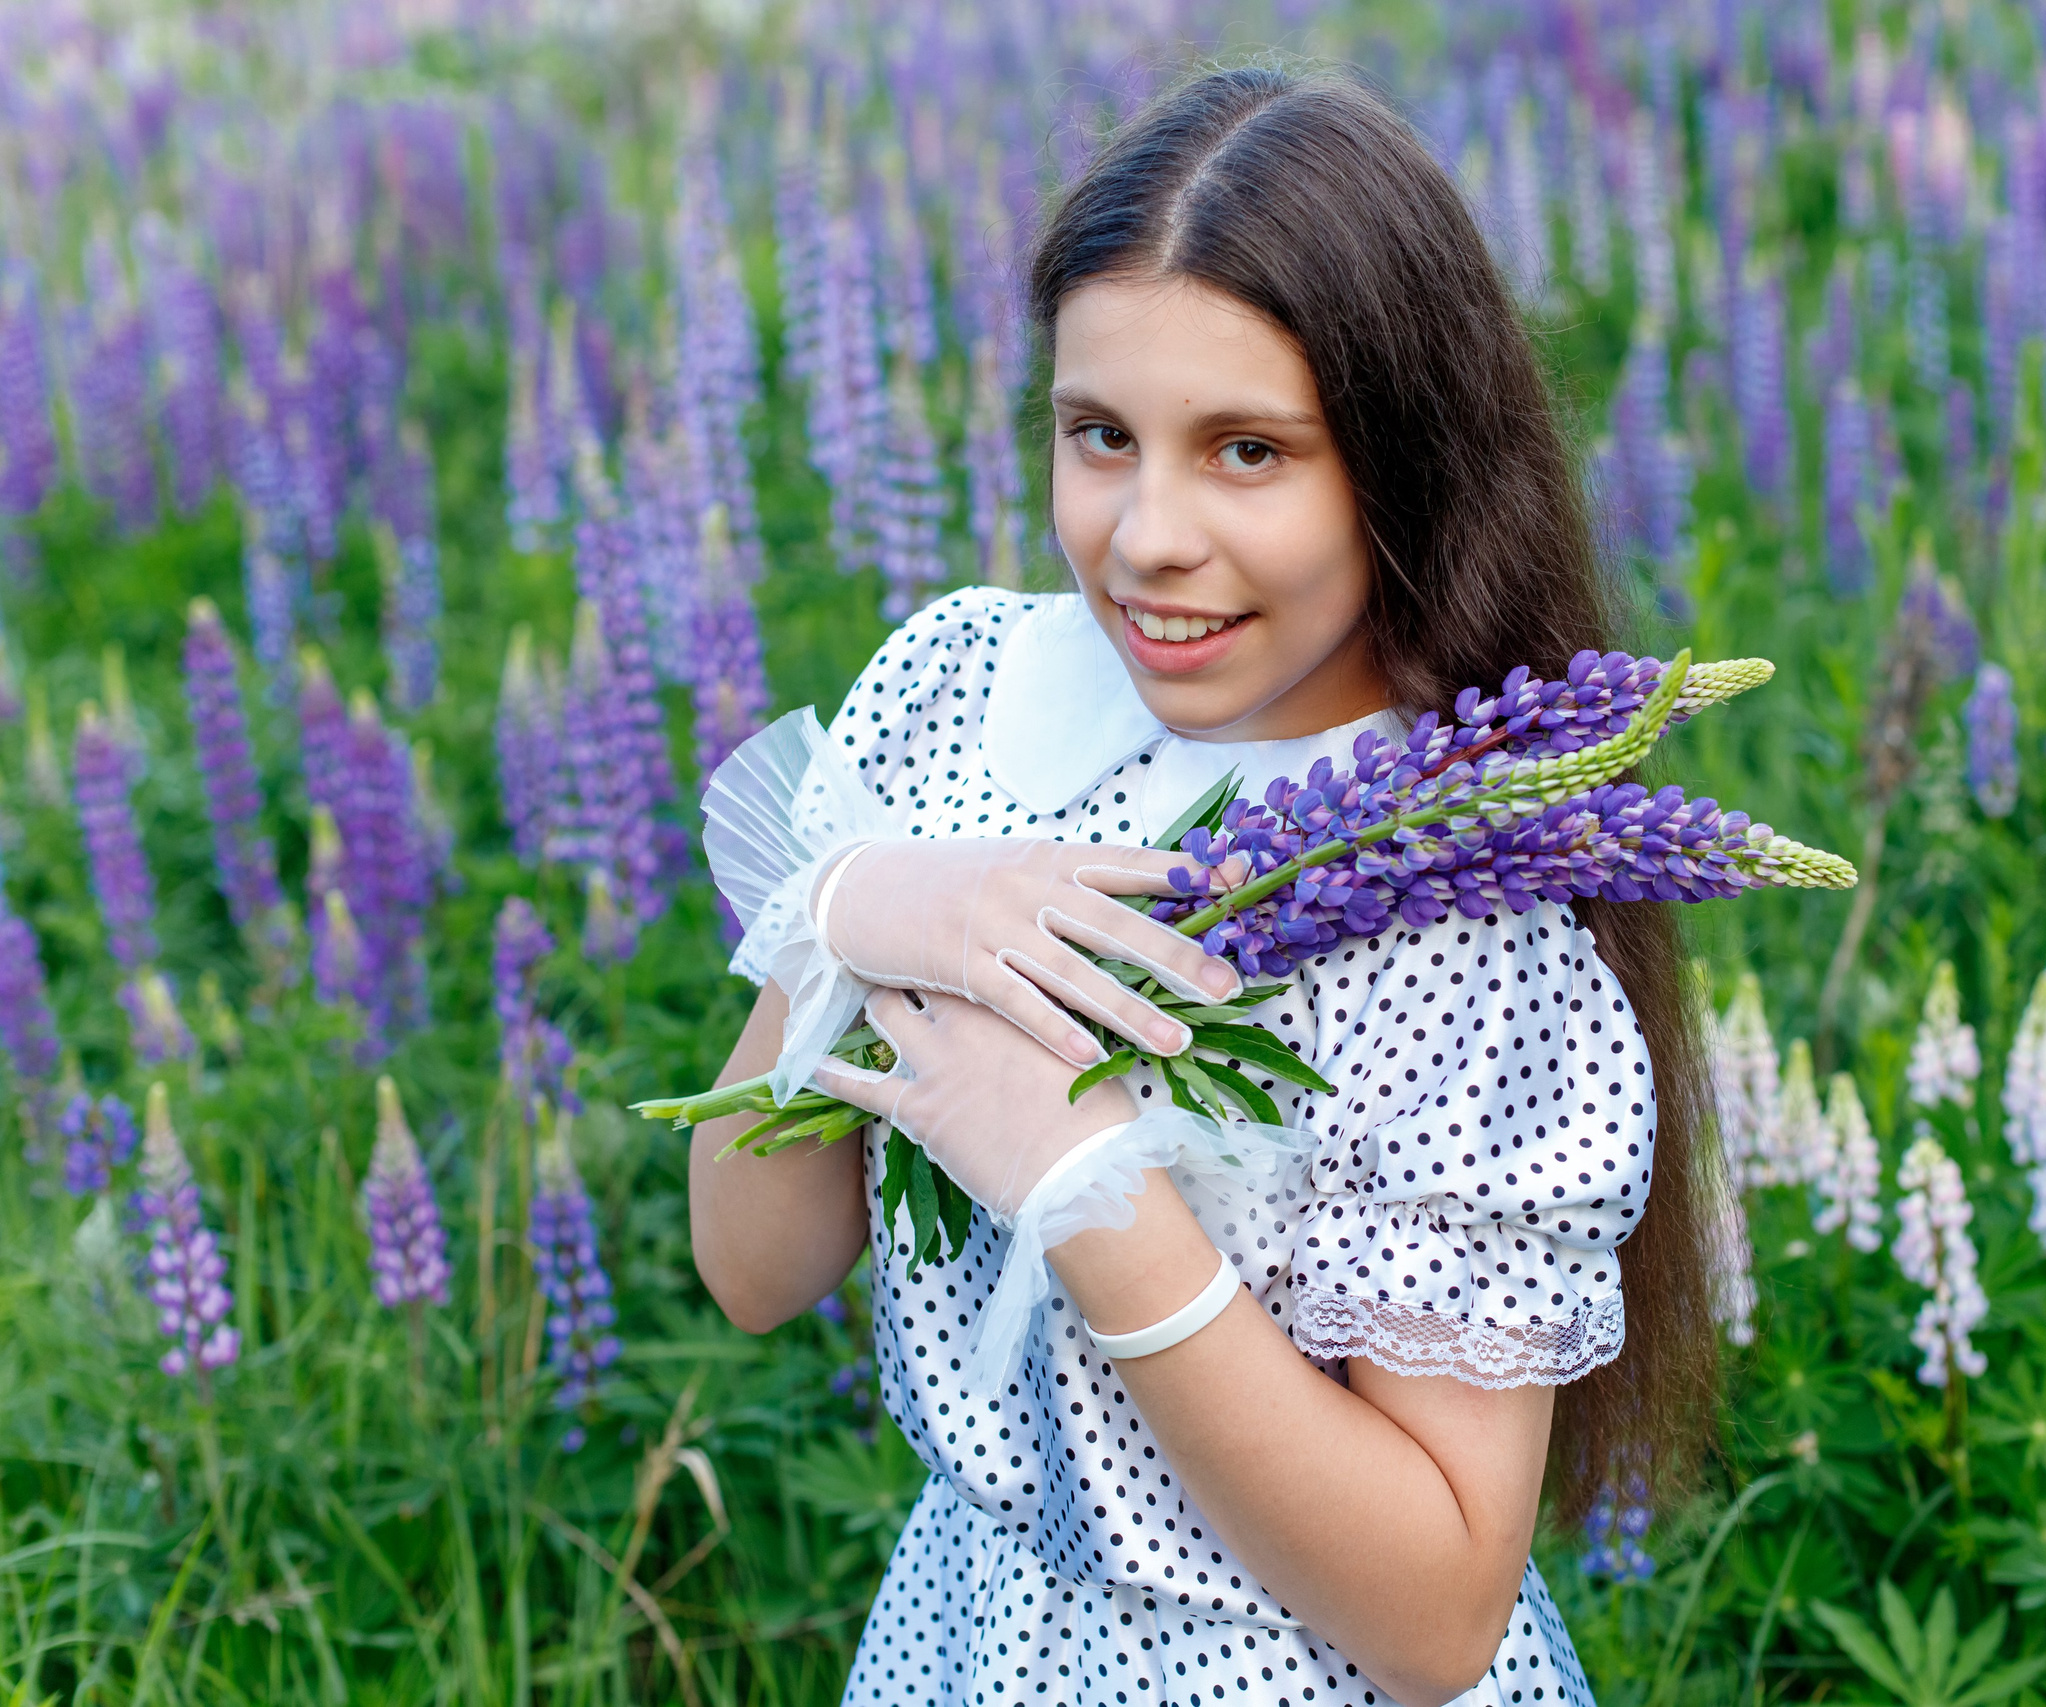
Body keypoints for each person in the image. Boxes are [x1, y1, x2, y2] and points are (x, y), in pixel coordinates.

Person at [690, 62, 1721, 1707]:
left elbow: (1439, 1620)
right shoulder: (958, 694)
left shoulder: (1457, 901)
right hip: (969, 1639)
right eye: (1100, 434)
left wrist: (1095, 1195)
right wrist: (845, 918)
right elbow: (750, 1270)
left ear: (1406, 460)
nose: (1148, 534)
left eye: (1249, 450)